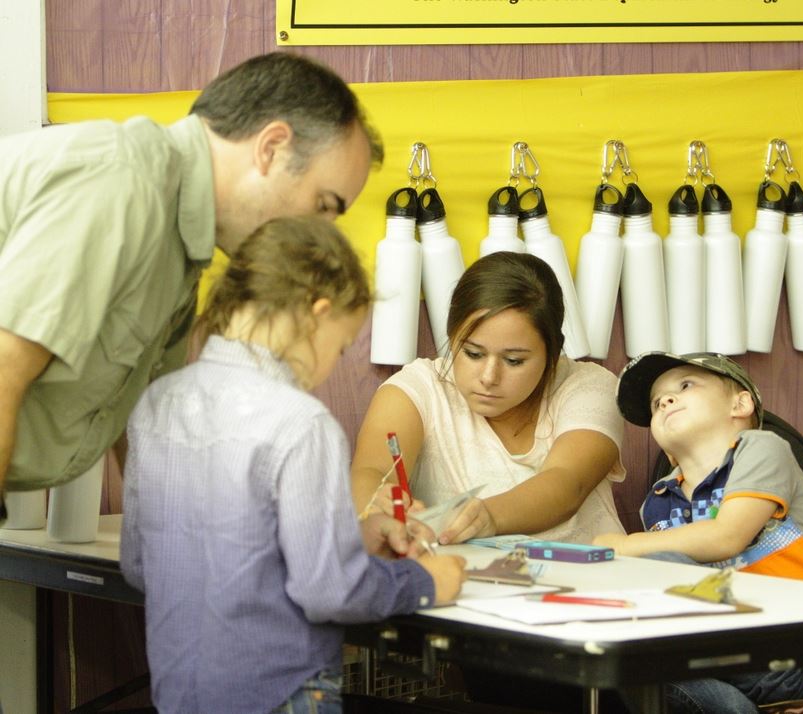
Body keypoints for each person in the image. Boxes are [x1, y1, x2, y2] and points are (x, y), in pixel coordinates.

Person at [119, 216, 466, 714]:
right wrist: (426, 582)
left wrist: (345, 536)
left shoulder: (157, 403)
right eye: (341, 346)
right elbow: (329, 591)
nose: (331, 365)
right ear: (316, 314)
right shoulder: (301, 421)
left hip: (178, 690)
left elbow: (140, 564)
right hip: (281, 692)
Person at [0, 51, 379, 498]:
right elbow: (5, 366)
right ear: (271, 148)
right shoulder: (123, 184)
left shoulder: (184, 242)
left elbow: (145, 427)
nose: (319, 235)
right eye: (323, 205)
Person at [595, 351, 803, 713]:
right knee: (636, 666)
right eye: (657, 404)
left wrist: (627, 546)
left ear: (741, 404)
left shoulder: (762, 447)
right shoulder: (656, 503)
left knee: (662, 565)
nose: (666, 400)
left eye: (685, 386)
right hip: (731, 663)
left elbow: (727, 536)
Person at [351, 251, 626, 547]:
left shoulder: (589, 386)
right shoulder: (417, 389)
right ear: (452, 335)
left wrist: (488, 516)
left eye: (513, 360)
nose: (488, 377)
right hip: (467, 586)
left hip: (597, 582)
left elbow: (568, 483)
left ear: (553, 352)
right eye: (473, 354)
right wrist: (379, 505)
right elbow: (371, 471)